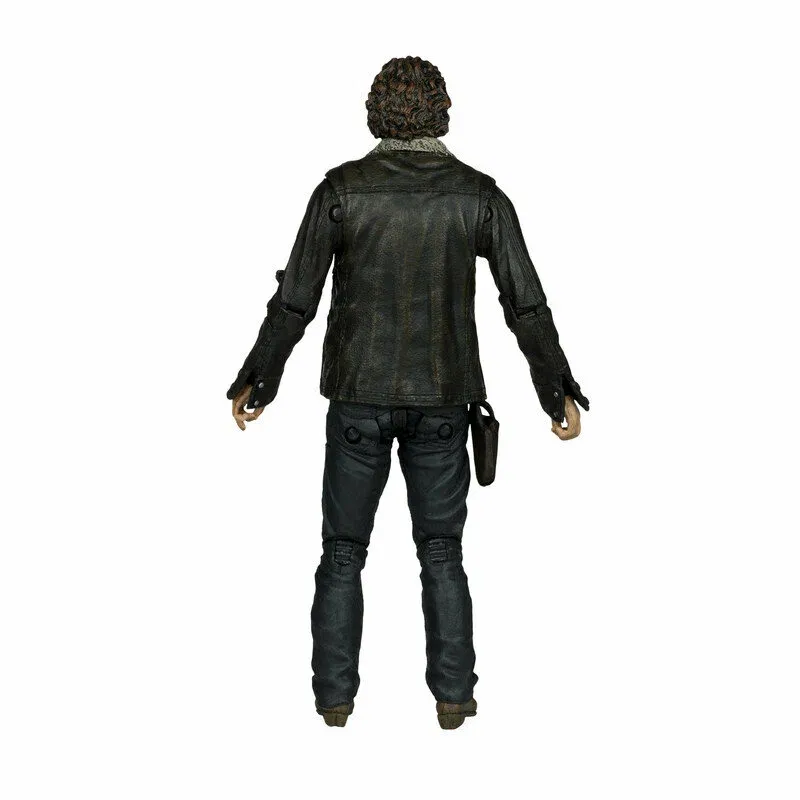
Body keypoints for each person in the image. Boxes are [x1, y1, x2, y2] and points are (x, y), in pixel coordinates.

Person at [226, 56, 589, 729]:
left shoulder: (340, 191)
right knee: (443, 554)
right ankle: (453, 697)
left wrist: (259, 378)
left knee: (342, 553)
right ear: (441, 112)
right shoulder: (478, 195)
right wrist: (555, 389)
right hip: (443, 401)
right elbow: (526, 303)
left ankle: (334, 700)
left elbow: (296, 299)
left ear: (376, 113)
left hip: (357, 399)